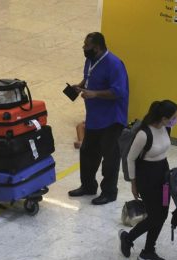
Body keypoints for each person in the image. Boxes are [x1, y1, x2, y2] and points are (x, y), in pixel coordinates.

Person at [68, 32, 129, 205]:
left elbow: (119, 92)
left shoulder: (115, 64)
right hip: (95, 117)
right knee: (87, 153)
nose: (83, 49)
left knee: (110, 158)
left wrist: (95, 93)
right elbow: (89, 77)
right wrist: (80, 86)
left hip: (112, 119)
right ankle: (88, 186)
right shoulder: (91, 59)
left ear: (97, 47)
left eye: (86, 46)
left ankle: (109, 192)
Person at [119, 100, 177, 260]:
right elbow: (130, 159)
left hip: (163, 175)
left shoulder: (166, 127)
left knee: (163, 212)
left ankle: (148, 251)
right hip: (147, 178)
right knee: (154, 216)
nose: (175, 120)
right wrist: (133, 183)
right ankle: (128, 238)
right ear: (163, 118)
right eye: (173, 117)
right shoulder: (144, 134)